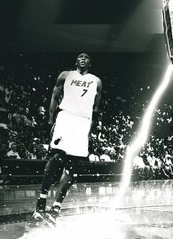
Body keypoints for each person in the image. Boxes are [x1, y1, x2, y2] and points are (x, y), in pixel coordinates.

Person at [32, 53, 102, 225]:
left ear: (90, 63)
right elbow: (54, 97)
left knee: (74, 168)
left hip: (83, 122)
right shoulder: (65, 75)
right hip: (66, 117)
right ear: (76, 61)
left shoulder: (97, 81)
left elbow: (95, 108)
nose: (83, 58)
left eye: (86, 57)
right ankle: (41, 202)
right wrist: (50, 120)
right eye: (80, 57)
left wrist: (91, 129)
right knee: (56, 158)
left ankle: (56, 207)